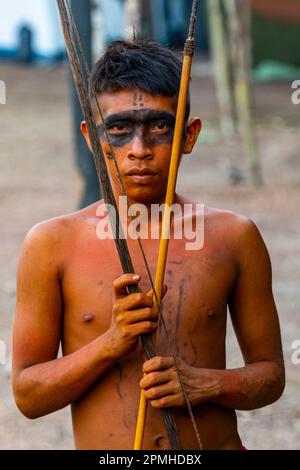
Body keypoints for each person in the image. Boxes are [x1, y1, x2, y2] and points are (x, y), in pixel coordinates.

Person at [12, 39, 285, 450]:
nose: (139, 151)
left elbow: (271, 377)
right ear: (91, 137)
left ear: (189, 135)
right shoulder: (51, 244)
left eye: (159, 128)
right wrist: (109, 344)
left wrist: (207, 383)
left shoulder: (234, 236)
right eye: (119, 130)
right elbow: (28, 396)